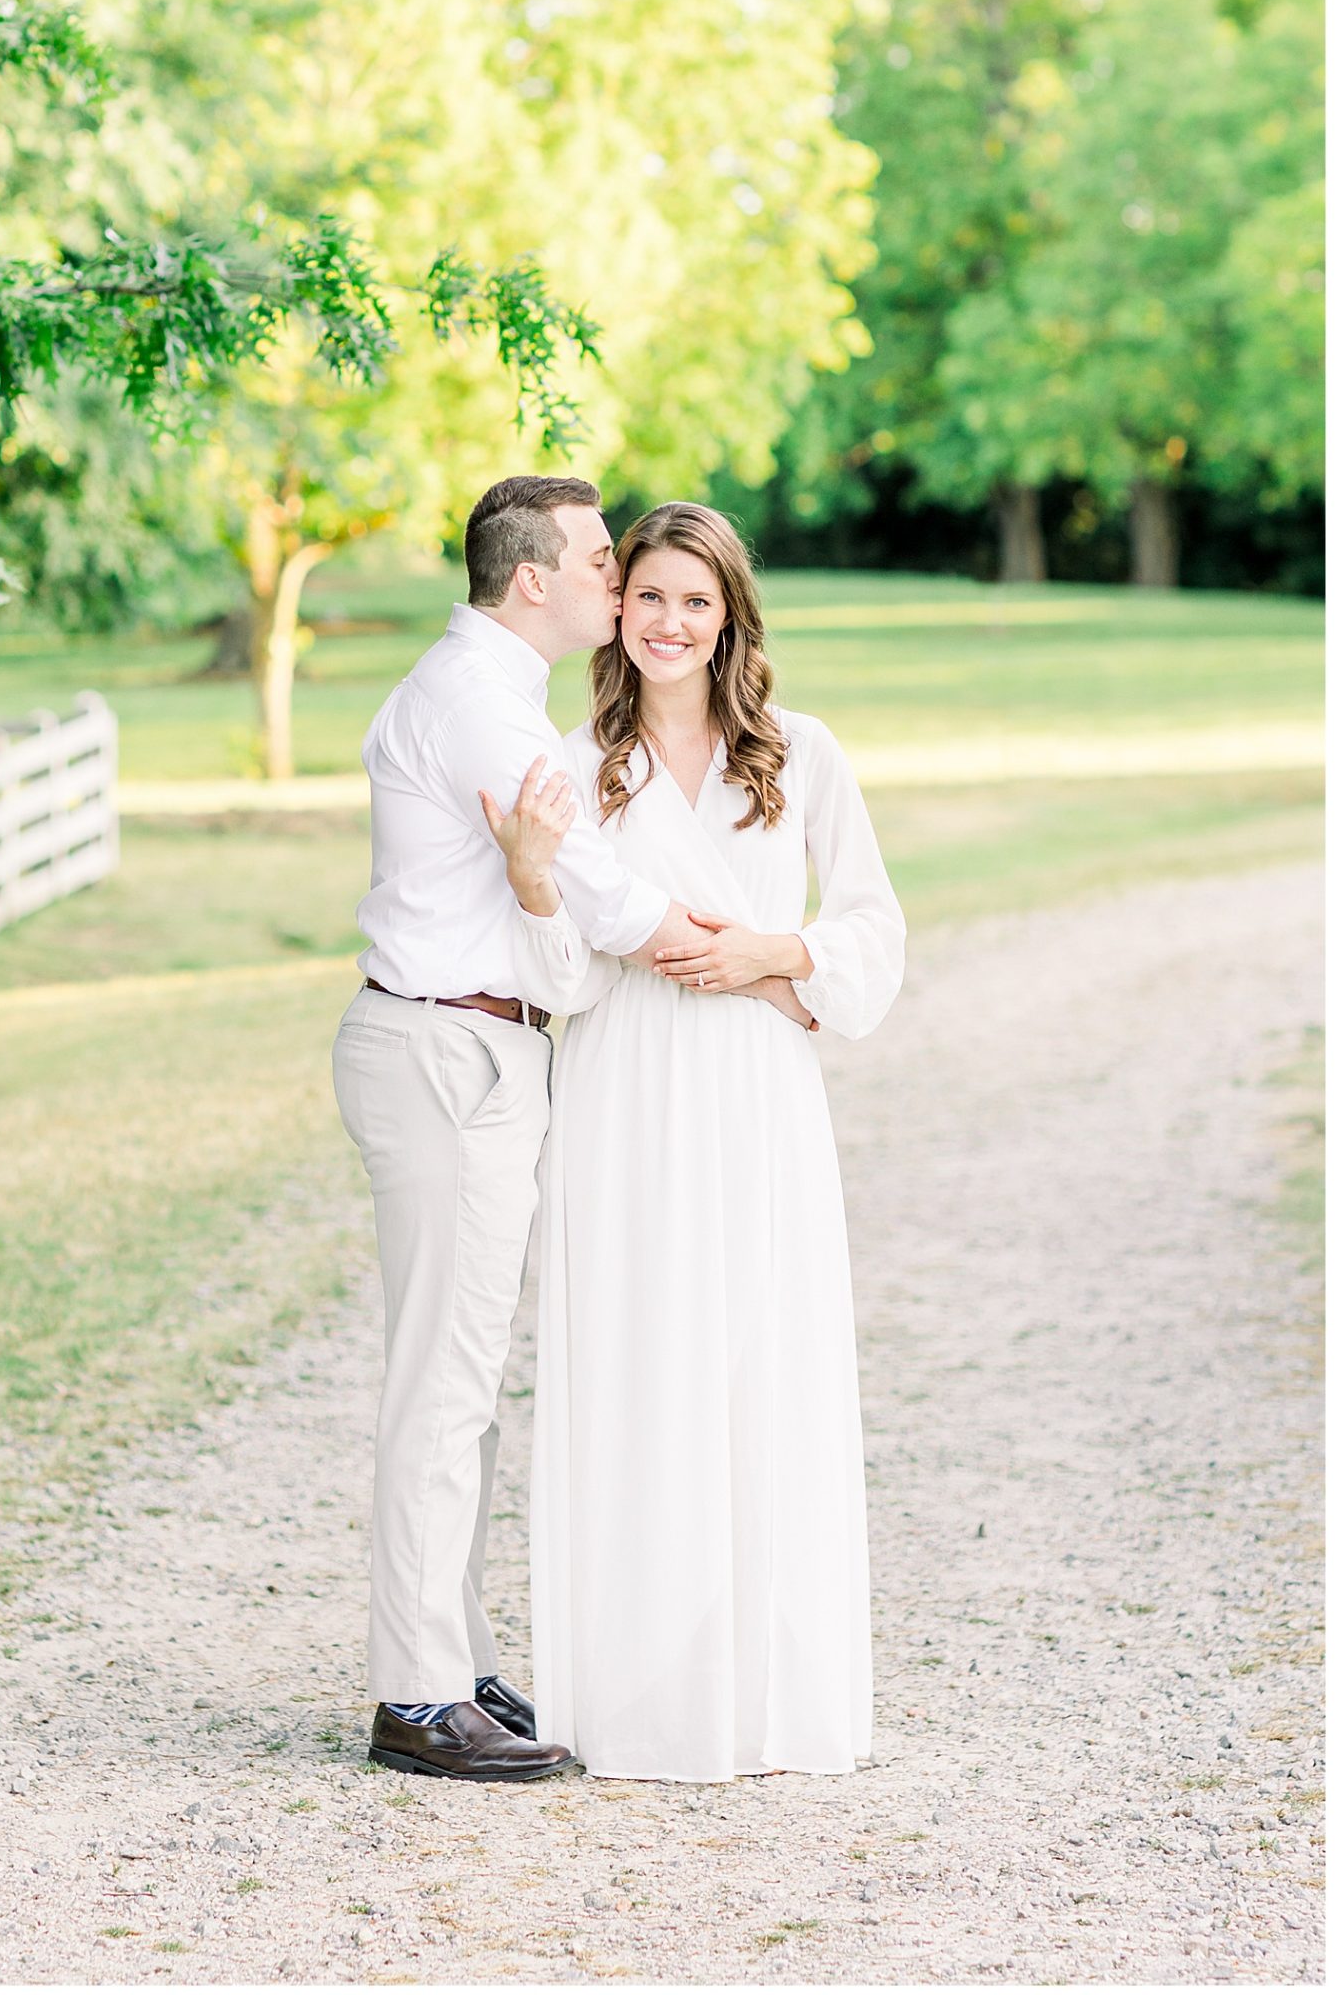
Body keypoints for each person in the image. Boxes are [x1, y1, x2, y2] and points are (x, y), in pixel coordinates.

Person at [487, 501, 905, 1783]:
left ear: (730, 618)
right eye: (649, 596)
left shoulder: (800, 753)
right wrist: (536, 878)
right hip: (625, 1096)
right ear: (616, 611)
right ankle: (640, 1705)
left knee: (758, 1367)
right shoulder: (572, 760)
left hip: (758, 1091)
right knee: (640, 1370)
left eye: (696, 602)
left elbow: (876, 937)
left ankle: (772, 1700)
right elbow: (563, 979)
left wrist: (779, 954)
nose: (670, 622)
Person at [331, 475, 705, 1781]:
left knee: (466, 1389)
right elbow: (600, 905)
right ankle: (415, 1696)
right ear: (533, 578)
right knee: (440, 1387)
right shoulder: (477, 709)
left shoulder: (491, 697)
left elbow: (559, 940)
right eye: (603, 560)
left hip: (475, 1042)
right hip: (445, 1047)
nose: (620, 578)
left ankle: (454, 1661)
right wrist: (748, 957)